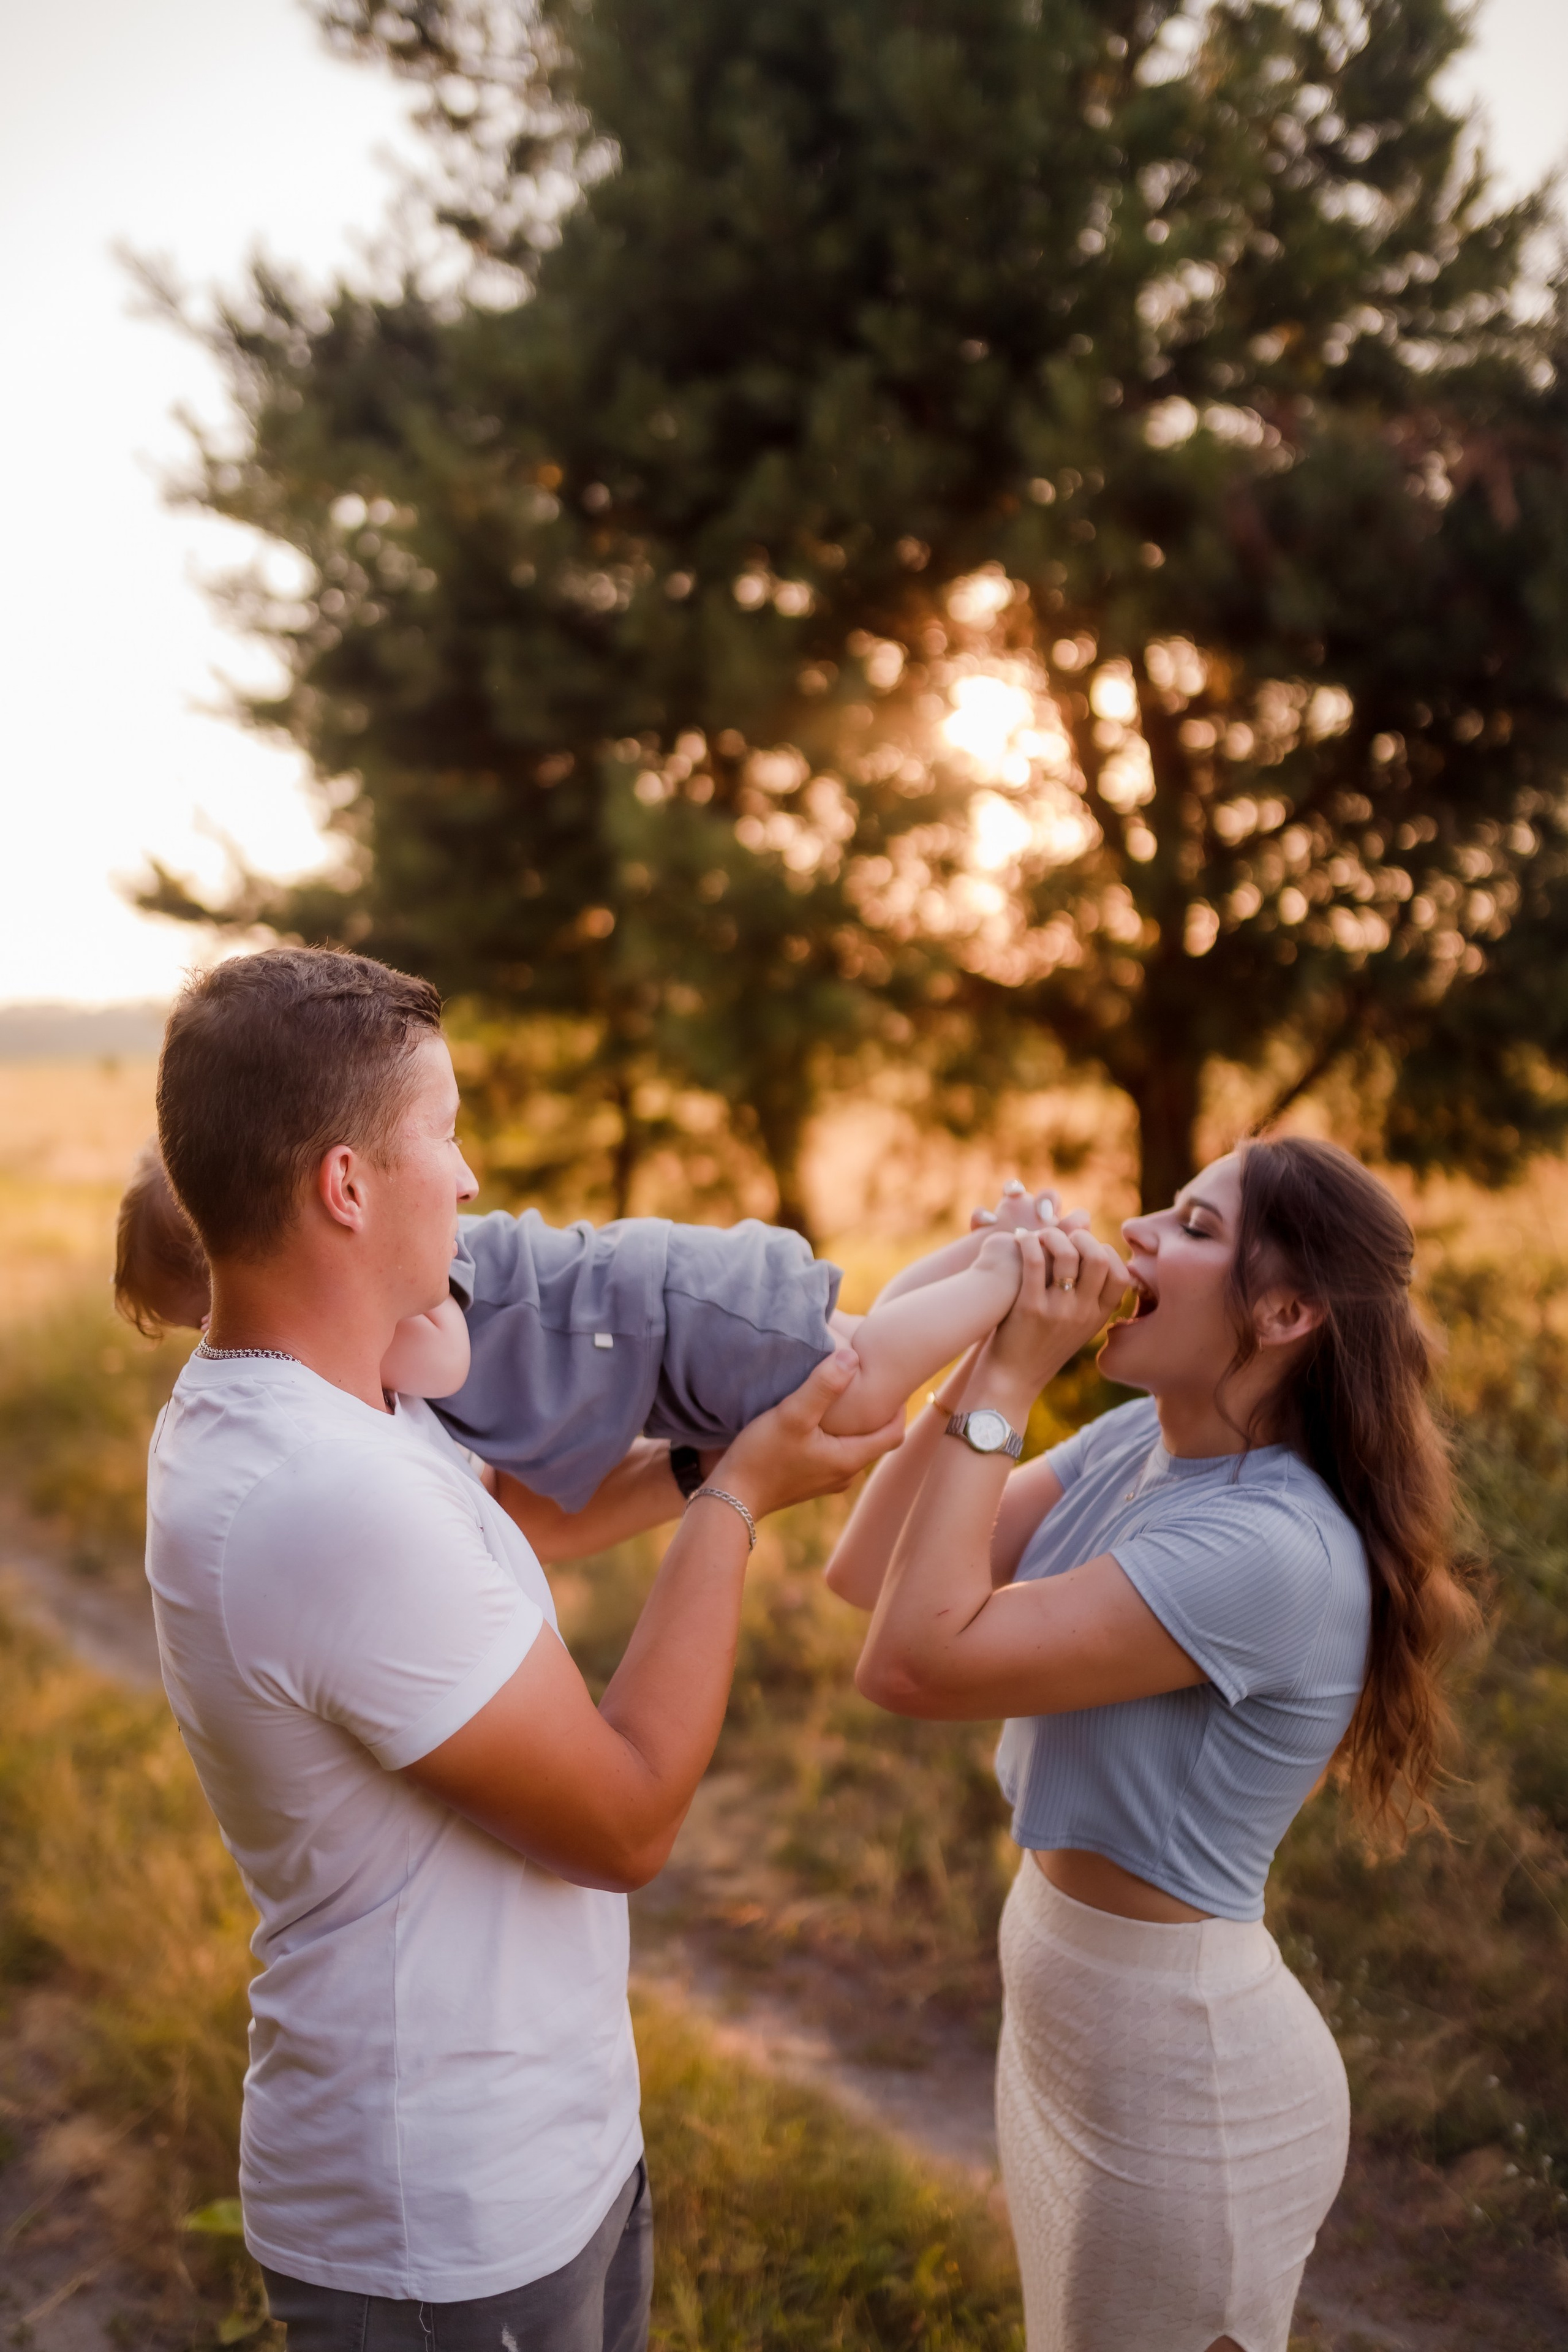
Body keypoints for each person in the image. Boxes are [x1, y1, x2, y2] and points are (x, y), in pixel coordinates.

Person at [144, 944, 907, 2352]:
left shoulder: (324, 1404)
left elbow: (491, 1524)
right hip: (440, 2215)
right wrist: (740, 1504)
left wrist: (700, 1462)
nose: (473, 1177)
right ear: (345, 1185)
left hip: (532, 2142)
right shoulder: (318, 1495)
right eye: (443, 1133)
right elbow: (623, 1822)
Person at [826, 1138, 1479, 2352]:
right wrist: (985, 1344)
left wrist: (1013, 1387)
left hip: (1186, 2078)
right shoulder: (1141, 1443)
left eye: (1187, 1224)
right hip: (1072, 2018)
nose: (1128, 1234)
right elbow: (867, 1575)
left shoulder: (1270, 1550)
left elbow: (911, 1666)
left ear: (1283, 1311)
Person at [118, 1127, 1050, 1530]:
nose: (233, 1343)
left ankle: (1003, 1276)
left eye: (213, 1318)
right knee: (859, 1339)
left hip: (661, 1319)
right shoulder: (389, 1258)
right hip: (661, 1307)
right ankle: (983, 1258)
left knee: (854, 1390)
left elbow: (441, 1362)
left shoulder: (388, 1303)